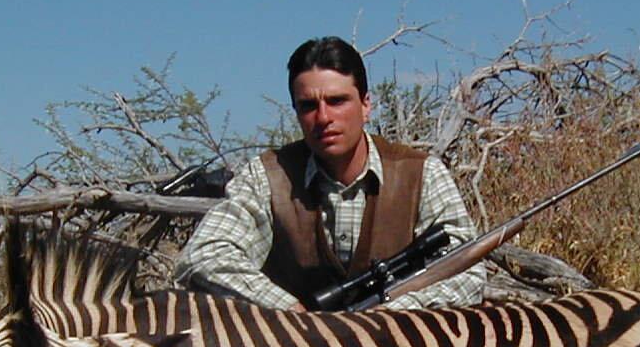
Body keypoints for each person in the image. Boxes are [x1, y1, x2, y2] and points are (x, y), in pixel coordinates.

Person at [175, 36, 485, 311]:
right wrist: (291, 310)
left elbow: (467, 271)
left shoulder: (421, 173)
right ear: (296, 112)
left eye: (337, 101)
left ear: (366, 105)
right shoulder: (267, 176)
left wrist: (393, 312)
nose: (323, 117)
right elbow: (203, 256)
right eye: (308, 106)